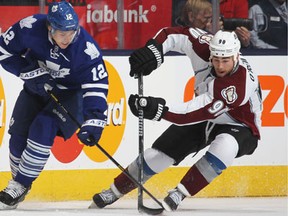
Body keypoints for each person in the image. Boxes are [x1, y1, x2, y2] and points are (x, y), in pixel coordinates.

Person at [89, 27, 262, 211]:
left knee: (226, 146)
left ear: (236, 56)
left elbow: (195, 111)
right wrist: (154, 51)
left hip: (240, 125)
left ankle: (180, 192)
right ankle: (114, 191)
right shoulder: (203, 46)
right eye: (216, 59)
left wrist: (158, 109)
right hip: (206, 116)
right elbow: (175, 35)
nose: (219, 66)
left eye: (225, 61)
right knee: (157, 156)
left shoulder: (238, 85)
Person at [0, 1, 109, 210]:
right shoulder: (30, 27)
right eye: (62, 33)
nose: (68, 38)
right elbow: (4, 51)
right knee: (17, 137)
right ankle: (18, 184)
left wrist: (94, 121)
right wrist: (30, 72)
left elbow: (96, 86)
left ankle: (21, 183)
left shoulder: (86, 50)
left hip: (70, 95)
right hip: (37, 88)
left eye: (72, 32)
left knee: (43, 126)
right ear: (50, 28)